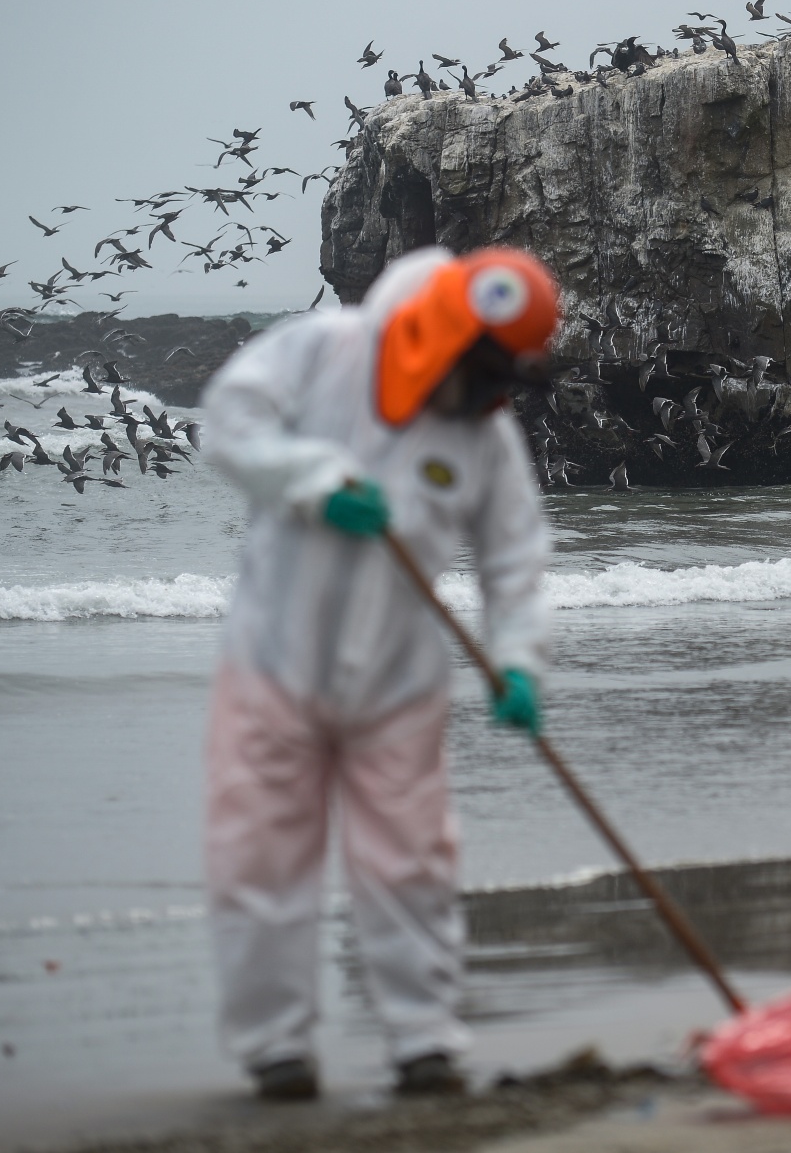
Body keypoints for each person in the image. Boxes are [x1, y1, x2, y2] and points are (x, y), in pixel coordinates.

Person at [199, 245, 558, 1100]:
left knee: (411, 864)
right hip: (272, 664)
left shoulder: (485, 434)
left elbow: (516, 558)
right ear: (444, 333)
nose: (486, 394)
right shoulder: (320, 349)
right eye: (481, 370)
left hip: (399, 685)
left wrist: (517, 660)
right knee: (259, 858)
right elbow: (228, 422)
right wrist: (312, 480)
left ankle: (424, 1042)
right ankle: (276, 1049)